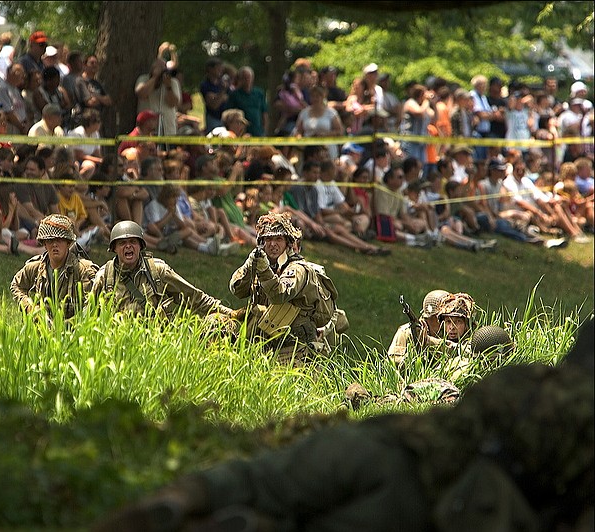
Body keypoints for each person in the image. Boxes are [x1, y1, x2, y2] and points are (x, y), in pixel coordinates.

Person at [91, 316, 594, 532]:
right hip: (438, 496)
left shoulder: (524, 376)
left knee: (254, 478)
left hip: (387, 439)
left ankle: (174, 501)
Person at [228, 212, 346, 363]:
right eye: (268, 239)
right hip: (264, 347)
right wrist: (249, 266)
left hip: (295, 351)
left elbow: (280, 294)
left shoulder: (298, 269)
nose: (272, 244)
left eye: (278, 239)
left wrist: (263, 271)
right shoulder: (263, 264)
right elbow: (237, 290)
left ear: (288, 243)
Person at [90, 221, 233, 319]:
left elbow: (194, 297)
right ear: (114, 248)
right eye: (122, 243)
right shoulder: (104, 275)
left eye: (133, 242)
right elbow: (87, 315)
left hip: (154, 343)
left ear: (140, 246)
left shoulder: (157, 270)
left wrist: (230, 314)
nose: (128, 246)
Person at [10, 214, 98, 320]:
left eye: (60, 240)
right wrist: (30, 307)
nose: (55, 244)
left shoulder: (84, 270)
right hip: (42, 330)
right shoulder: (36, 267)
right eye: (50, 240)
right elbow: (16, 285)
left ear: (68, 243)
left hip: (73, 330)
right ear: (44, 244)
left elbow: (90, 307)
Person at [387, 289, 450, 365]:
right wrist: (414, 354)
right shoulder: (406, 332)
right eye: (442, 317)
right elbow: (393, 363)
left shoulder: (451, 333)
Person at [226, 66, 268, 137]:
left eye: (249, 77)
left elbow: (264, 113)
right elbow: (230, 114)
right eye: (244, 78)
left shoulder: (259, 93)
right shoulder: (234, 95)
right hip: (241, 132)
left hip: (257, 131)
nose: (247, 80)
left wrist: (264, 129)